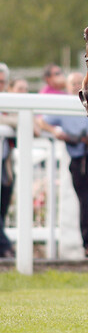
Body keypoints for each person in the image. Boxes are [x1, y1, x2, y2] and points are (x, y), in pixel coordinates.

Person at [38, 73, 88, 258]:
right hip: (78, 159)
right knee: (85, 201)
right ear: (68, 86)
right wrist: (57, 131)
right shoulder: (63, 106)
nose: (75, 86)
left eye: (78, 83)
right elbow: (42, 121)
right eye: (72, 83)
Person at [0, 63, 15, 257]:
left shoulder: (10, 101)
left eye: (2, 82)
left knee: (3, 209)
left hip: (6, 166)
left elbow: (26, 122)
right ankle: (6, 248)